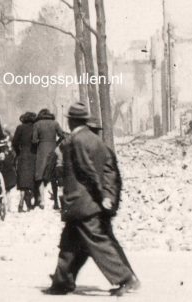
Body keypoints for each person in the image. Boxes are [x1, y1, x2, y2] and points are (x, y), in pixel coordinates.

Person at [46, 102, 140, 297]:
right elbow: (106, 169)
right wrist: (106, 195)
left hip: (83, 202)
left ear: (71, 121)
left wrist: (102, 195)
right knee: (69, 245)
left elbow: (87, 170)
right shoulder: (95, 140)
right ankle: (61, 282)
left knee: (97, 242)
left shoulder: (76, 140)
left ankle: (125, 278)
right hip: (85, 203)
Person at [32, 109, 64, 209]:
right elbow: (62, 135)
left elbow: (34, 140)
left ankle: (42, 200)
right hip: (53, 150)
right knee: (53, 176)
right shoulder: (55, 123)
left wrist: (40, 143)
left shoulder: (37, 124)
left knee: (40, 176)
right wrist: (56, 143)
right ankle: (56, 202)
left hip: (41, 151)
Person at [12, 112, 37, 212]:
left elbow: (14, 142)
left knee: (22, 180)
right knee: (31, 179)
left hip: (22, 155)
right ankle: (29, 202)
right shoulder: (35, 127)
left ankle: (21, 203)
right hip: (33, 155)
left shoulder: (20, 127)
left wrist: (18, 152)